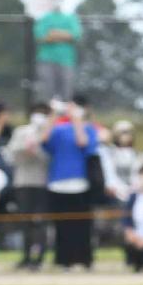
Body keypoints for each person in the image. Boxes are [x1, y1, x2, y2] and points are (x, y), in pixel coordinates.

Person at [44, 100, 98, 269]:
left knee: (81, 225)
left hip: (80, 183)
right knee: (62, 226)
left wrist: (76, 119)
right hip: (57, 183)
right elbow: (44, 139)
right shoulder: (59, 130)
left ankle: (83, 259)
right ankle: (63, 260)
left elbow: (83, 142)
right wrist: (54, 114)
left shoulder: (88, 128)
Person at [9, 106, 51, 269]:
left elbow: (50, 158)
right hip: (23, 182)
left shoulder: (49, 132)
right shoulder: (21, 131)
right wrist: (25, 148)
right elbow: (13, 154)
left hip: (42, 182)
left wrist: (37, 150)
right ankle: (26, 256)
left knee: (40, 222)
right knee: (25, 221)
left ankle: (39, 258)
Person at [33, 0, 82, 102]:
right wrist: (64, 34)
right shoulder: (45, 18)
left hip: (67, 60)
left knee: (67, 93)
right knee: (47, 92)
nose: (58, 0)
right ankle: (49, 116)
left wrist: (54, 33)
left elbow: (75, 35)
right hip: (46, 59)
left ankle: (64, 118)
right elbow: (41, 36)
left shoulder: (70, 18)